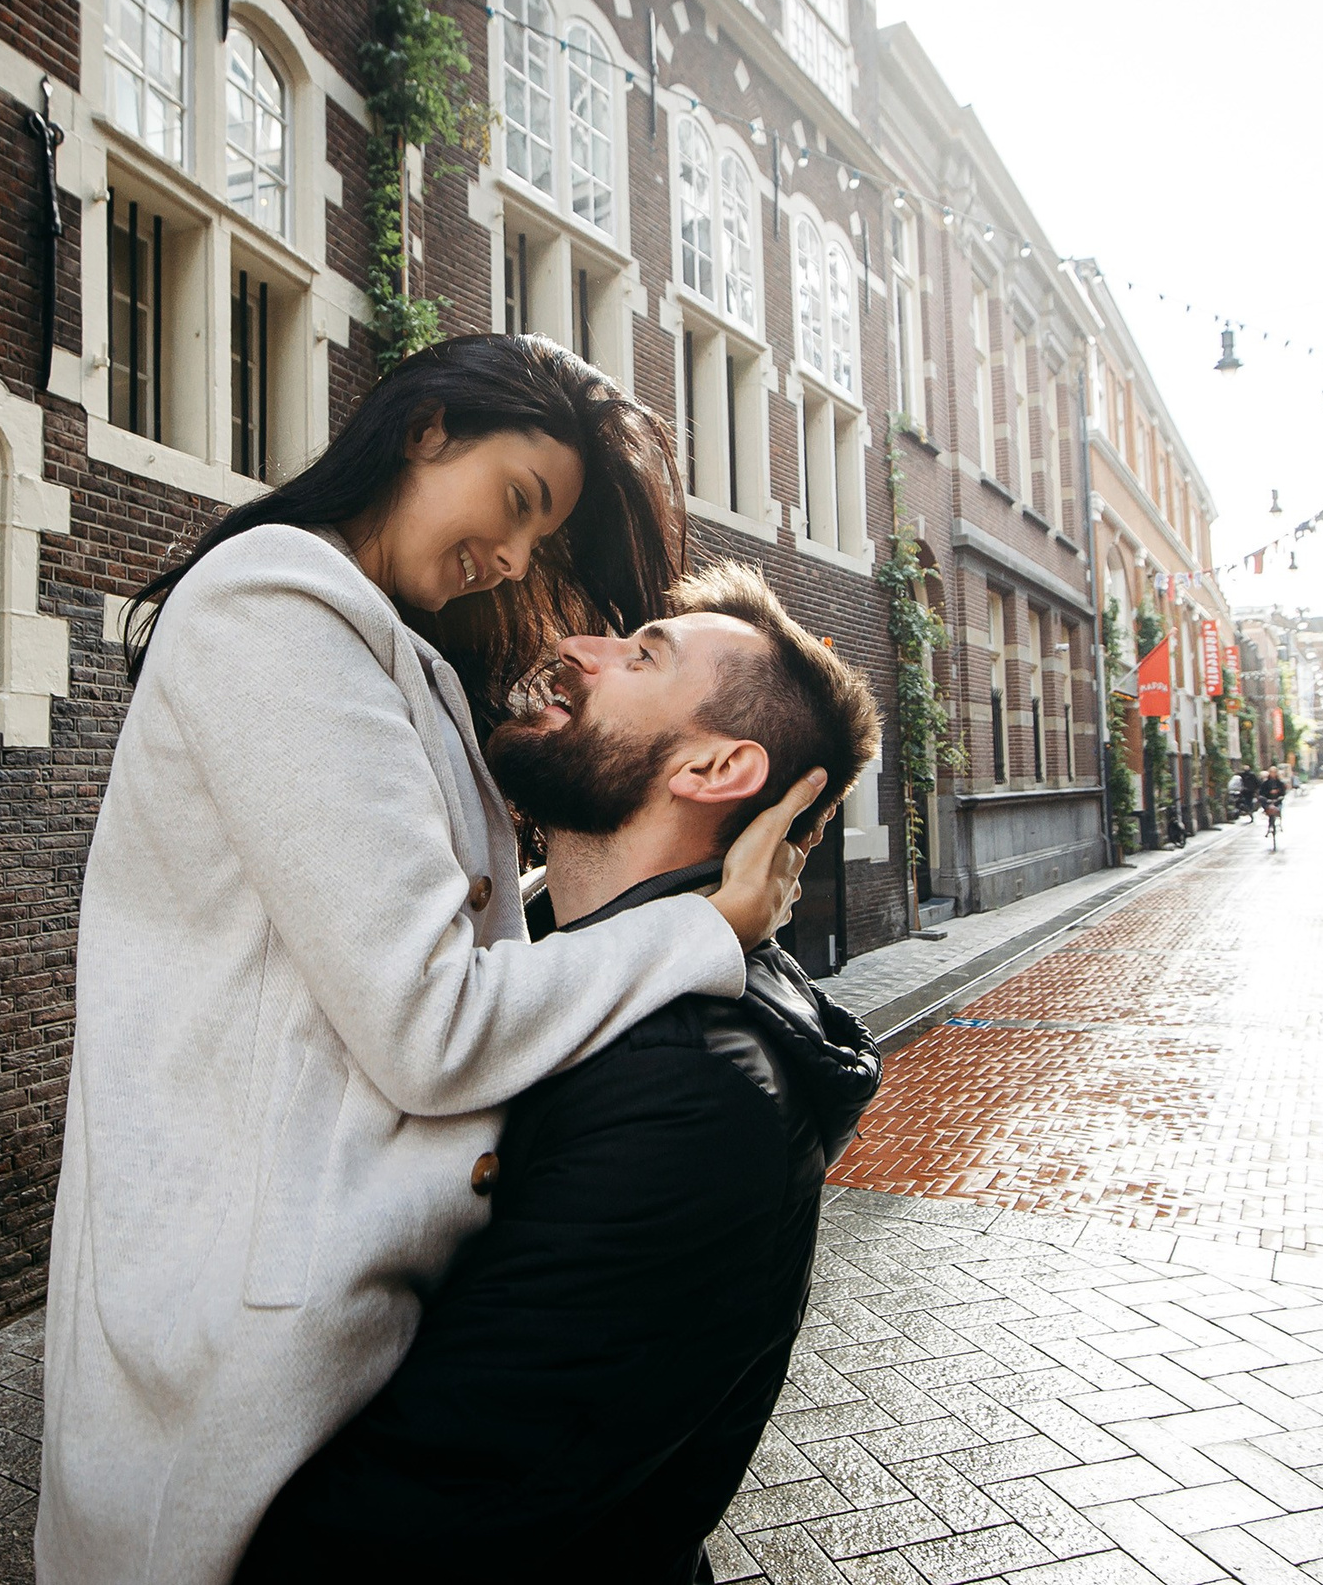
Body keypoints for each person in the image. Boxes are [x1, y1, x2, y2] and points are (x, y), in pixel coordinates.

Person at [34, 337, 822, 1585]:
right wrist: (699, 927)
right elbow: (429, 1017)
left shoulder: (392, 653)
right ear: (425, 429)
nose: (512, 560)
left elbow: (417, 926)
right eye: (517, 502)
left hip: (334, 1319)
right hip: (251, 1330)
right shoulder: (273, 607)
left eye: (537, 535)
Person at [237, 562, 883, 1583]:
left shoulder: (690, 1096)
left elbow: (427, 1515)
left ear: (715, 769)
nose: (580, 648)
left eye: (641, 655)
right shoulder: (535, 971)